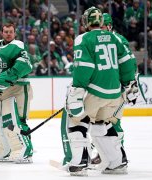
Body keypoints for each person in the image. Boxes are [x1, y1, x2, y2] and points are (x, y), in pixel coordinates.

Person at [61, 7, 136, 176]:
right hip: (115, 94)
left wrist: (77, 91)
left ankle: (79, 162)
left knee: (76, 121)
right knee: (101, 124)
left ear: (86, 22)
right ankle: (117, 162)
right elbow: (127, 63)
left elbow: (84, 67)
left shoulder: (83, 39)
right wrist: (130, 84)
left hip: (96, 91)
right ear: (101, 22)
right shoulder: (115, 38)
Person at [0, 23, 33, 163]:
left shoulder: (18, 45)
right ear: (2, 33)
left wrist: (2, 80)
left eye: (11, 32)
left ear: (14, 33)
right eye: (6, 31)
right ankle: (6, 148)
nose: (8, 34)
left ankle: (26, 150)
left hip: (18, 88)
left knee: (18, 120)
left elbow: (25, 65)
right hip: (0, 89)